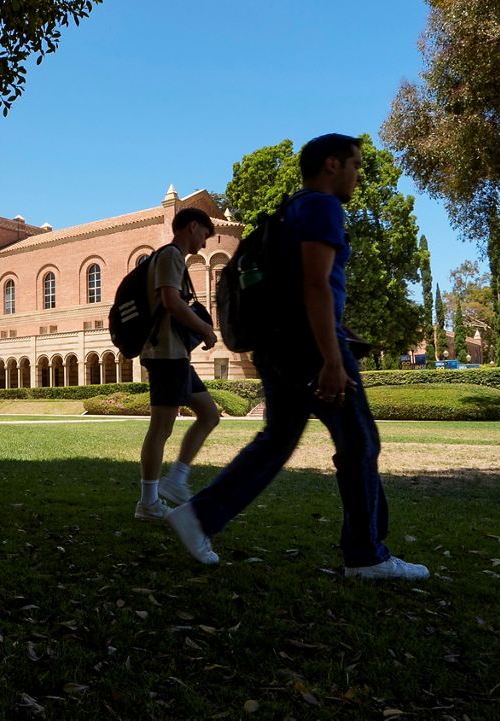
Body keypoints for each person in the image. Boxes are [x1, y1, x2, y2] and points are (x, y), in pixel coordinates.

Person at [165, 134, 429, 581]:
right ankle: (367, 555)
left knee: (278, 439)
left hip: (275, 345)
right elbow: (315, 285)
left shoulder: (290, 209)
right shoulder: (322, 207)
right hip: (309, 346)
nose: (358, 176)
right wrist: (332, 357)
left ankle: (200, 517)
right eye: (355, 165)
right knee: (360, 442)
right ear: (331, 164)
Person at [133, 207, 220, 521]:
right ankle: (148, 503)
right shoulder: (170, 256)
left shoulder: (173, 258)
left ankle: (177, 479)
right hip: (165, 354)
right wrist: (205, 329)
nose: (205, 244)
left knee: (209, 414)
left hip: (176, 355)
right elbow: (171, 301)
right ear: (192, 227)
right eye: (204, 235)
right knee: (161, 429)